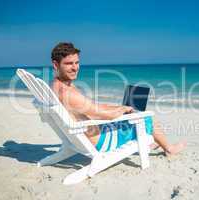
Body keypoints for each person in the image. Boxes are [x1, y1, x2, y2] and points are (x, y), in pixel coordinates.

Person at [51, 42, 186, 155]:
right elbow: (106, 116)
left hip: (88, 134)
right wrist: (122, 110)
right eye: (69, 63)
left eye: (77, 62)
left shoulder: (58, 86)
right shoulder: (67, 93)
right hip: (101, 141)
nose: (75, 68)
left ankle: (148, 141)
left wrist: (121, 108)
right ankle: (169, 149)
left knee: (133, 114)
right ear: (56, 65)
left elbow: (93, 107)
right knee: (146, 118)